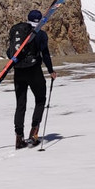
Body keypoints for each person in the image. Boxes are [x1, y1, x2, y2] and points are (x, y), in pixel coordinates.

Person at [9, 9, 56, 149]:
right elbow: (45, 54)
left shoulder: (18, 33)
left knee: (21, 104)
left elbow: (9, 52)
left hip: (18, 71)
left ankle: (19, 137)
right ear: (40, 20)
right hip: (34, 70)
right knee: (40, 99)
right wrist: (51, 71)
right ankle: (34, 132)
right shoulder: (40, 34)